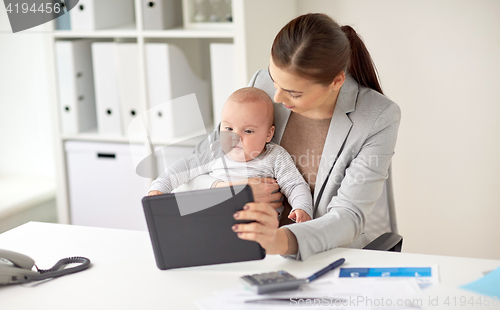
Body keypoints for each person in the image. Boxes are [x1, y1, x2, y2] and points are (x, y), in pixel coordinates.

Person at [187, 13, 401, 261]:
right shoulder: (262, 87)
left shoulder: (378, 116)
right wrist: (230, 189)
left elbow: (348, 217)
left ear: (336, 81)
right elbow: (196, 167)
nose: (276, 98)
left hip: (323, 256)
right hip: (246, 248)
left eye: (293, 93)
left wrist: (277, 241)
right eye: (274, 79)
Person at [148, 87, 313, 223]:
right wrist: (159, 188)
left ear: (268, 135)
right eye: (228, 129)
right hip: (214, 221)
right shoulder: (216, 151)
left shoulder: (275, 157)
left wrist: (301, 208)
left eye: (248, 131)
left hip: (259, 230)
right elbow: (184, 168)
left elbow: (295, 185)